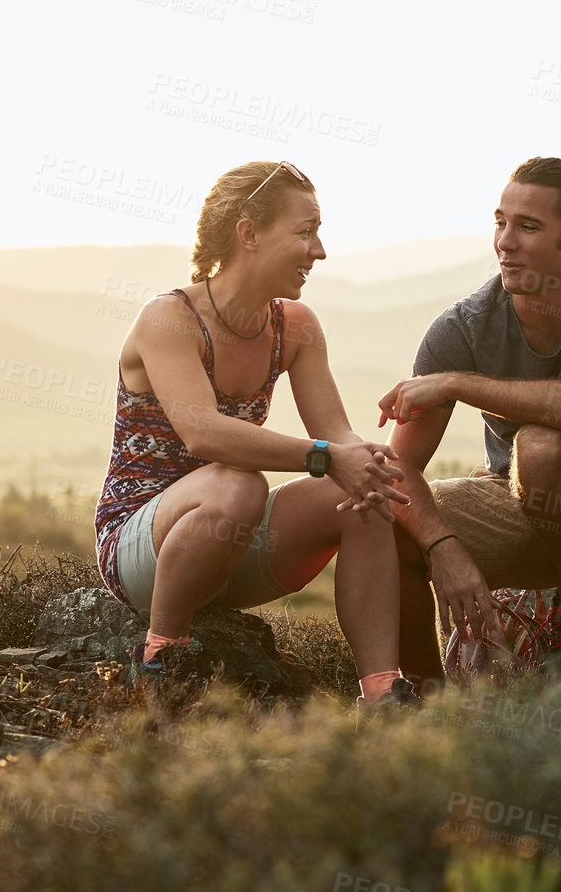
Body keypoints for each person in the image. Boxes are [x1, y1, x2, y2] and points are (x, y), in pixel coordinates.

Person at [93, 159, 416, 708]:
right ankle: (159, 658)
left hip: (231, 548)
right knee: (239, 484)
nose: (320, 250)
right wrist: (324, 456)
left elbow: (335, 437)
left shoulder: (297, 326)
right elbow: (205, 436)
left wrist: (367, 460)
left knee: (361, 491)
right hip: (141, 546)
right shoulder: (168, 319)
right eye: (306, 231)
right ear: (248, 233)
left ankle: (382, 693)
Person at [377, 157, 561, 685]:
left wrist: (456, 383)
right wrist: (443, 550)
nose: (505, 241)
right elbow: (400, 466)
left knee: (541, 445)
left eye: (528, 226)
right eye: (500, 221)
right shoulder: (461, 327)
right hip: (516, 507)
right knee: (380, 513)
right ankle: (423, 698)